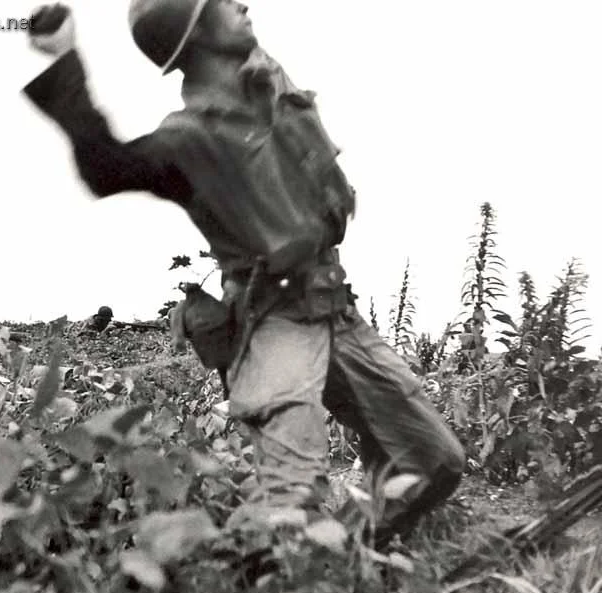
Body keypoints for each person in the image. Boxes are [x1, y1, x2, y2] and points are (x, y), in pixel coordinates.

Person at [23, 0, 465, 546]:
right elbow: (105, 167)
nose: (242, 5)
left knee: (432, 458)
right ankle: (277, 575)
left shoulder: (270, 98)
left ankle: (355, 559)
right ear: (195, 31)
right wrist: (65, 57)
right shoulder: (187, 140)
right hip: (274, 324)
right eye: (222, 3)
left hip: (334, 310)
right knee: (292, 501)